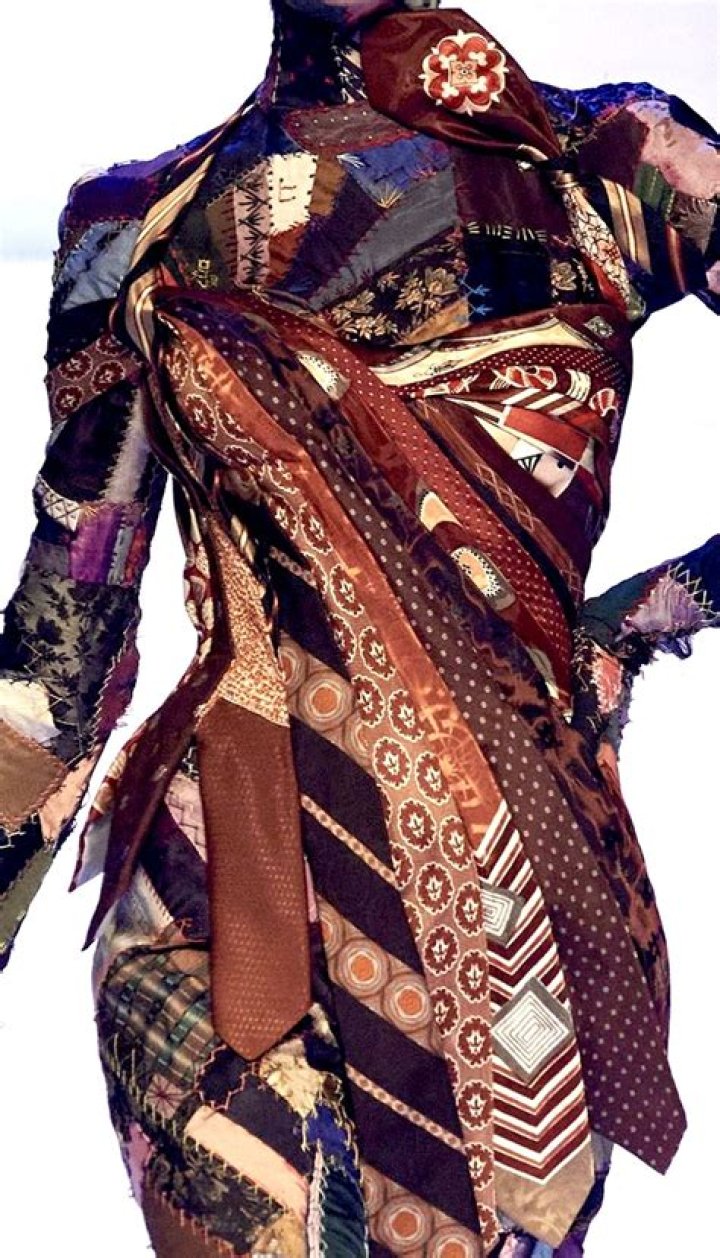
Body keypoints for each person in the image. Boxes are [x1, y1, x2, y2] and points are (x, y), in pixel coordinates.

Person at [0, 1, 718, 1254]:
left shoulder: (614, 165)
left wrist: (637, 619)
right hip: (219, 905)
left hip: (522, 930)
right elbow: (60, 667)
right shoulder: (135, 225)